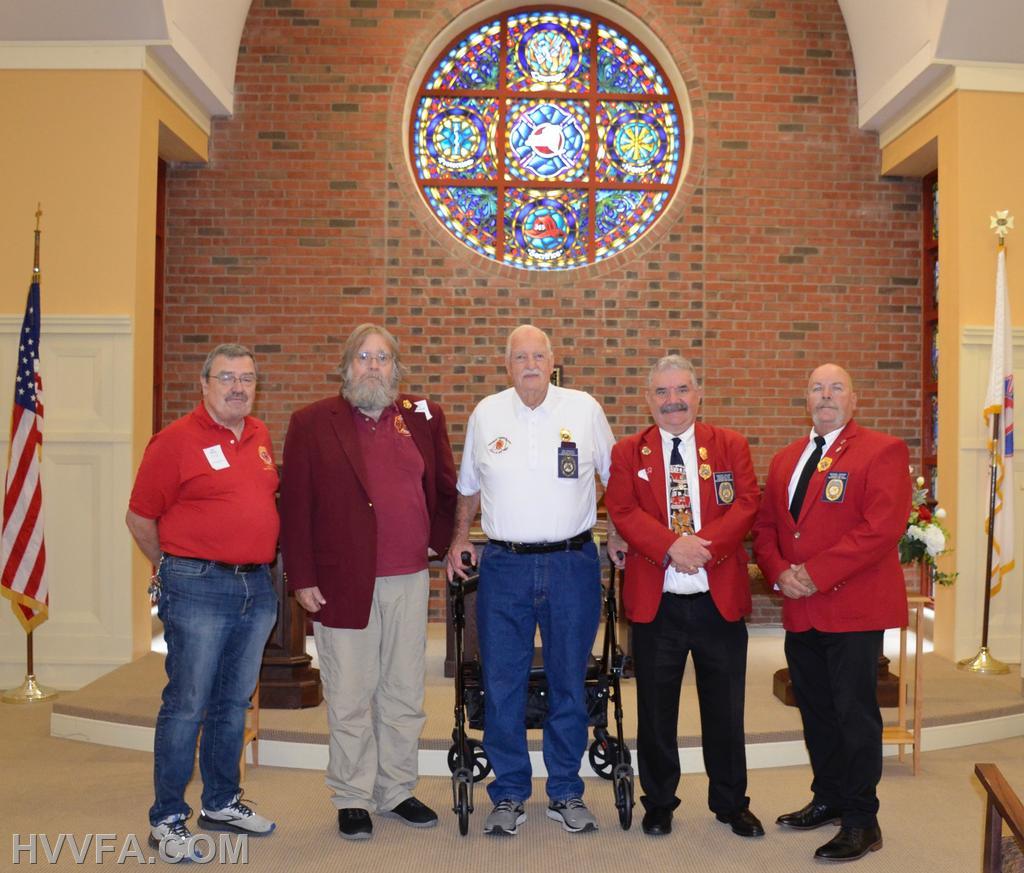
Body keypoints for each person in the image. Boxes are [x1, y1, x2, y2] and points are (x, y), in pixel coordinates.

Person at [278, 323, 457, 841]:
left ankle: (396, 788)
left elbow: (444, 488)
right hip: (341, 582)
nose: (372, 366)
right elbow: (296, 507)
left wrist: (437, 543)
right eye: (362, 357)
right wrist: (303, 576)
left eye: (382, 358)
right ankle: (353, 795)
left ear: (396, 370)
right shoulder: (312, 422)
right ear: (346, 367)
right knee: (351, 693)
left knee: (403, 692)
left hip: (408, 578)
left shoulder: (423, 417)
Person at [447, 324, 625, 836]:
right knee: (503, 682)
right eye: (519, 356)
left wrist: (615, 530)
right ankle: (508, 794)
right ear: (507, 365)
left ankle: (566, 790)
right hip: (504, 567)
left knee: (570, 679)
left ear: (552, 361)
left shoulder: (584, 409)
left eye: (537, 355)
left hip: (573, 563)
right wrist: (461, 535)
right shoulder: (487, 413)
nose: (529, 364)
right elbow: (468, 487)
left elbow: (617, 478)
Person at [752, 363, 911, 862]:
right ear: (806, 400)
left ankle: (863, 820)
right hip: (802, 609)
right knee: (816, 711)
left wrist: (815, 573)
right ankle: (829, 798)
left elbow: (881, 528)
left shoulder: (881, 450)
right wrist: (779, 572)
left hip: (852, 608)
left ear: (853, 398)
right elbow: (765, 528)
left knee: (855, 715)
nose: (825, 396)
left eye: (836, 387)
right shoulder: (785, 459)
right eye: (817, 388)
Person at [126, 343, 279, 861]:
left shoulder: (258, 435)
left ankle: (221, 801)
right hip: (196, 586)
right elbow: (140, 518)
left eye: (248, 379)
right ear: (204, 383)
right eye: (227, 378)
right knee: (188, 703)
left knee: (233, 702)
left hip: (255, 588)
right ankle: (167, 819)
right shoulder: (173, 442)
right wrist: (174, 569)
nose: (239, 387)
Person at [604, 355, 764, 839]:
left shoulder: (730, 445)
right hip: (658, 603)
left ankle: (731, 802)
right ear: (648, 399)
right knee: (655, 711)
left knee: (725, 709)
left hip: (719, 600)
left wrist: (702, 547)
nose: (672, 400)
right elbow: (623, 509)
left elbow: (747, 503)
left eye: (682, 390)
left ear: (698, 394)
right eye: (662, 392)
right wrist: (671, 545)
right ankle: (659, 803)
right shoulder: (629, 452)